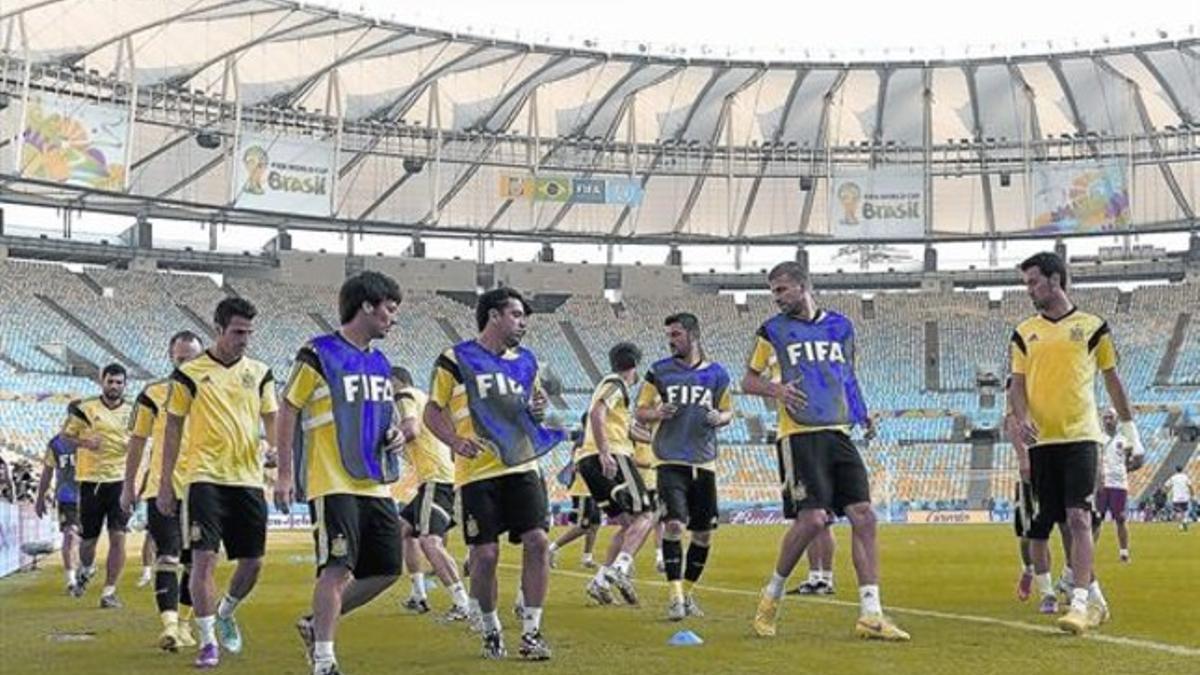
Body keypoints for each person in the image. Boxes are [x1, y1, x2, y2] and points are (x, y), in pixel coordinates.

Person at [744, 262, 907, 641]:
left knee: (864, 516)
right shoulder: (773, 330)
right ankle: (772, 594)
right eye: (774, 292)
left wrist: (862, 413)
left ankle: (871, 614)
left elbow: (847, 375)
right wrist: (777, 390)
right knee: (814, 520)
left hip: (838, 431)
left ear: (803, 286)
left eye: (782, 289)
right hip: (798, 434)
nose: (777, 297)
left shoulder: (841, 327)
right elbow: (749, 379)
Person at [275, 272, 406, 675]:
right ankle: (324, 661)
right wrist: (284, 472)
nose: (392, 318)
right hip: (331, 481)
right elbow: (288, 408)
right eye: (389, 308)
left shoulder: (380, 362)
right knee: (336, 568)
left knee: (387, 569)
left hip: (376, 483)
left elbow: (387, 413)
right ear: (366, 305)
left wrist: (396, 431)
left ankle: (316, 625)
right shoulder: (317, 354)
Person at [423, 287, 564, 660]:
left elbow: (533, 411)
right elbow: (432, 412)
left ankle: (532, 633)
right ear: (493, 316)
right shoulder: (455, 358)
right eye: (516, 315)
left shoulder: (527, 361)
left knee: (537, 541)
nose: (523, 323)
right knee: (484, 556)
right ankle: (490, 628)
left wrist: (539, 408)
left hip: (522, 465)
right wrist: (454, 441)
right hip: (476, 473)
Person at [1008, 251, 1142, 635]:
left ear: (1054, 279)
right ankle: (1094, 597)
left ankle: (1079, 603)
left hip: (1082, 436)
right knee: (1063, 525)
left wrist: (1132, 434)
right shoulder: (1024, 332)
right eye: (1026, 283)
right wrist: (1023, 416)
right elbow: (1018, 386)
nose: (1029, 289)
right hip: (1042, 443)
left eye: (1033, 281)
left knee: (1080, 518)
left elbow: (1113, 381)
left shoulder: (1093, 327)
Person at [156, 297, 278, 668]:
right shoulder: (189, 373)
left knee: (253, 562)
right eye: (238, 332)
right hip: (203, 477)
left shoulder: (260, 371)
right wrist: (165, 483)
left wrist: (274, 449)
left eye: (249, 333)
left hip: (248, 479)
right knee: (203, 561)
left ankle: (226, 611)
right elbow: (174, 428)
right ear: (219, 329)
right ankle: (208, 641)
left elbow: (271, 416)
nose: (244, 339)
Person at [635, 312, 733, 621]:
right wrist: (657, 412)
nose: (671, 341)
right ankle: (675, 596)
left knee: (703, 535)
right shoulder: (659, 371)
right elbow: (640, 411)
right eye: (669, 335)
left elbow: (728, 411)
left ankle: (688, 593)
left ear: (693, 334)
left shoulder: (718, 374)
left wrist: (719, 418)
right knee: (675, 525)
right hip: (669, 460)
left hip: (704, 463)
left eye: (676, 335)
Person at [120, 331, 205, 652]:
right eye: (181, 358)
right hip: (163, 487)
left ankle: (184, 623)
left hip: (202, 487)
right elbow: (138, 442)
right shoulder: (153, 394)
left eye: (193, 358)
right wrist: (128, 486)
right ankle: (169, 626)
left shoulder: (210, 394)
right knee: (168, 554)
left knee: (197, 561)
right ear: (171, 357)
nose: (187, 364)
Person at [391, 365, 472, 623]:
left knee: (429, 541)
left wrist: (387, 441)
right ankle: (418, 594)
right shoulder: (423, 398)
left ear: (395, 382)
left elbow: (411, 430)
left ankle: (462, 602)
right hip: (438, 477)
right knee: (403, 529)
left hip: (437, 479)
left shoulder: (403, 396)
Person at [576, 342, 655, 606]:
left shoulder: (615, 390)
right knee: (647, 514)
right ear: (633, 365)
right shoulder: (615, 384)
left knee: (627, 523)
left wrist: (657, 439)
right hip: (613, 456)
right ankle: (619, 570)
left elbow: (630, 430)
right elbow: (597, 411)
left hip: (589, 460)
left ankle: (599, 582)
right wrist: (605, 452)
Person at [59, 363, 133, 608]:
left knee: (118, 536)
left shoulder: (133, 410)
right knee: (89, 540)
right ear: (102, 381)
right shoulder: (85, 408)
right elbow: (64, 438)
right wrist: (84, 442)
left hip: (121, 481)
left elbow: (144, 438)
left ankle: (109, 592)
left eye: (118, 382)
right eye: (110, 381)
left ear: (125, 384)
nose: (114, 386)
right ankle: (87, 568)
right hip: (91, 481)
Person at [1093, 408, 1144, 560]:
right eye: (1106, 418)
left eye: (1111, 417)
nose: (1108, 420)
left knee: (1120, 518)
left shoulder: (1125, 440)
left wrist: (1126, 468)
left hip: (1119, 484)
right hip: (1101, 483)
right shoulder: (1098, 439)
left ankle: (1124, 552)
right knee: (1096, 520)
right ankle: (1088, 553)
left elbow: (1136, 459)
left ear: (1116, 420)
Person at [34, 432, 81, 595]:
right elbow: (47, 471)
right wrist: (40, 497)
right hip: (66, 496)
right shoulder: (56, 443)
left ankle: (82, 567)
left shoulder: (92, 438)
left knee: (84, 539)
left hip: (89, 496)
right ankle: (71, 580)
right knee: (70, 535)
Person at [629, 421, 664, 573]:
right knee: (634, 524)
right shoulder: (634, 438)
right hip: (638, 485)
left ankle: (660, 558)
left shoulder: (655, 439)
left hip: (654, 484)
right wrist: (650, 464)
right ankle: (627, 559)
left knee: (659, 523)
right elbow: (630, 459)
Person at [1165, 466, 1193, 532]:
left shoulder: (1173, 477)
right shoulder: (1185, 477)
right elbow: (1190, 486)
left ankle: (1181, 525)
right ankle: (1185, 521)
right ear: (1182, 469)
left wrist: (1168, 491)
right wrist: (1192, 494)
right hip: (1185, 497)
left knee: (1178, 512)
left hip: (1176, 497)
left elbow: (1166, 485)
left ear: (1176, 470)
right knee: (1185, 510)